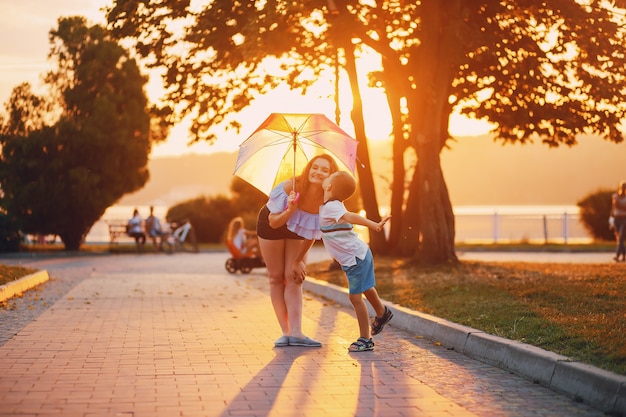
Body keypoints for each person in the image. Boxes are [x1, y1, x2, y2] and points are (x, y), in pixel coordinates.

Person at [257, 154, 339, 348]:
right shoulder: (289, 187)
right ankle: (284, 333)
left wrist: (298, 260)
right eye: (315, 167)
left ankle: (296, 333)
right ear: (308, 168)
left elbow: (312, 232)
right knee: (276, 277)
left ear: (330, 175)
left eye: (324, 170)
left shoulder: (325, 200)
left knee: (294, 276)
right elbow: (274, 223)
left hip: (299, 229)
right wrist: (290, 209)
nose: (318, 172)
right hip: (274, 224)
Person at [319, 171, 393, 352]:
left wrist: (373, 224)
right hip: (359, 254)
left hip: (356, 258)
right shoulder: (329, 206)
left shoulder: (332, 207)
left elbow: (351, 216)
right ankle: (382, 313)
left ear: (329, 186)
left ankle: (365, 340)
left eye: (329, 176)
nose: (325, 176)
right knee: (366, 288)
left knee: (355, 297)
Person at [611, 181, 626, 262]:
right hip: (617, 218)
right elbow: (614, 207)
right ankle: (624, 255)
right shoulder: (615, 196)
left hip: (624, 219)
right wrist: (611, 218)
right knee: (620, 238)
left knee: (621, 237)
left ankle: (617, 255)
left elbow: (619, 206)